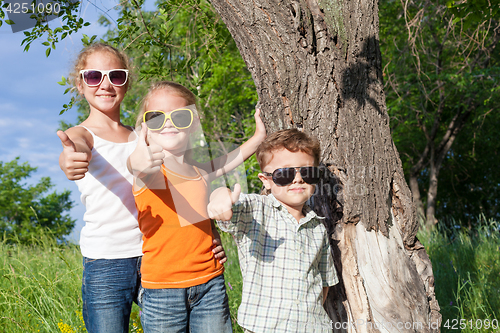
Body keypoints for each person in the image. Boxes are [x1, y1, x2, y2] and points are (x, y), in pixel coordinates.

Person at [56, 43, 226, 333]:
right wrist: (70, 159)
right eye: (94, 76)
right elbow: (74, 147)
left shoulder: (147, 135)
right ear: (80, 83)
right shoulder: (83, 134)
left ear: (126, 82)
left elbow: (187, 184)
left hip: (156, 256)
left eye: (116, 76)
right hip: (107, 262)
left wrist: (210, 233)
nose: (106, 84)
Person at [128, 80, 266, 333]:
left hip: (210, 283)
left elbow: (232, 158)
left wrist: (259, 137)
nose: (168, 122)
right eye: (157, 117)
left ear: (193, 123)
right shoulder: (149, 173)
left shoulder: (200, 172)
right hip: (162, 290)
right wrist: (138, 159)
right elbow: (137, 166)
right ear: (145, 127)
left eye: (180, 116)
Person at [207, 128, 339, 333]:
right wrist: (220, 198)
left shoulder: (318, 227)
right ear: (266, 180)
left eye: (307, 172)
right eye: (285, 174)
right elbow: (228, 202)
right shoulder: (257, 210)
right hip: (263, 327)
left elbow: (324, 282)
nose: (297, 179)